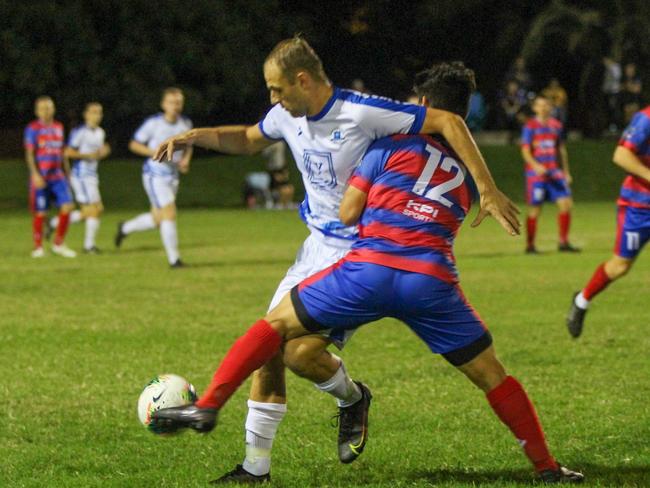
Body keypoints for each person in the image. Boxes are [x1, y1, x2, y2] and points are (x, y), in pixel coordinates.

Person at [151, 62, 582, 485]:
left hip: (361, 263)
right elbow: (247, 138)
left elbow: (351, 209)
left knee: (273, 332)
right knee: (488, 374)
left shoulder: (381, 132)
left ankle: (213, 410)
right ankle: (547, 468)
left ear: (425, 103)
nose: (272, 98)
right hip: (427, 280)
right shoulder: (462, 176)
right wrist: (484, 187)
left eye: (276, 88)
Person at [566, 106, 650, 337]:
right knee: (620, 266)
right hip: (639, 207)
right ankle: (582, 300)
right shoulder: (646, 118)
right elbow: (621, 155)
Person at [114, 88, 193, 267]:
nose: (176, 106)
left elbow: (189, 145)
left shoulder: (185, 123)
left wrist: (185, 160)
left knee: (158, 219)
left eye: (179, 102)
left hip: (173, 175)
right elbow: (134, 144)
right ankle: (175, 260)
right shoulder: (153, 123)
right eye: (172, 102)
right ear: (163, 104)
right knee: (169, 212)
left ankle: (125, 228)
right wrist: (155, 152)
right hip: (155, 174)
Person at [521, 95, 579, 254]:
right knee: (535, 209)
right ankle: (530, 245)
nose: (543, 108)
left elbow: (560, 150)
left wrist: (566, 171)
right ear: (535, 108)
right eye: (540, 105)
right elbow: (525, 151)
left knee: (566, 204)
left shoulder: (556, 125)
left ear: (550, 107)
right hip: (536, 176)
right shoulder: (530, 126)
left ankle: (563, 242)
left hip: (554, 172)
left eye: (546, 105)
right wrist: (536, 166)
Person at [53, 102, 111, 253]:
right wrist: (87, 156)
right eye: (93, 112)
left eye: (99, 112)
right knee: (93, 210)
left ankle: (54, 223)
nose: (97, 115)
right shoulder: (80, 131)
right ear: (86, 114)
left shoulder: (100, 132)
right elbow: (67, 152)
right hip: (81, 176)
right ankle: (89, 246)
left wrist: (103, 152)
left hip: (92, 175)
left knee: (96, 210)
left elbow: (99, 152)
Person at [24, 96, 76, 258]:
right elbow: (30, 154)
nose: (46, 111)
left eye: (49, 108)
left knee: (67, 206)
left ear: (53, 109)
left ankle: (58, 244)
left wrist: (68, 174)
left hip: (57, 176)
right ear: (37, 111)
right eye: (43, 108)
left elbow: (62, 153)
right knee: (41, 213)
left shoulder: (58, 127)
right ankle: (38, 247)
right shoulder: (32, 128)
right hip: (42, 176)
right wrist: (35, 174)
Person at [263, 142, 295, 208]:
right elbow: (265, 154)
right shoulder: (269, 143)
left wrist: (285, 170)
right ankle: (279, 204)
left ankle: (287, 203)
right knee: (280, 188)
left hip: (282, 167)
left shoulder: (281, 143)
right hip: (273, 168)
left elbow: (283, 156)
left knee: (289, 188)